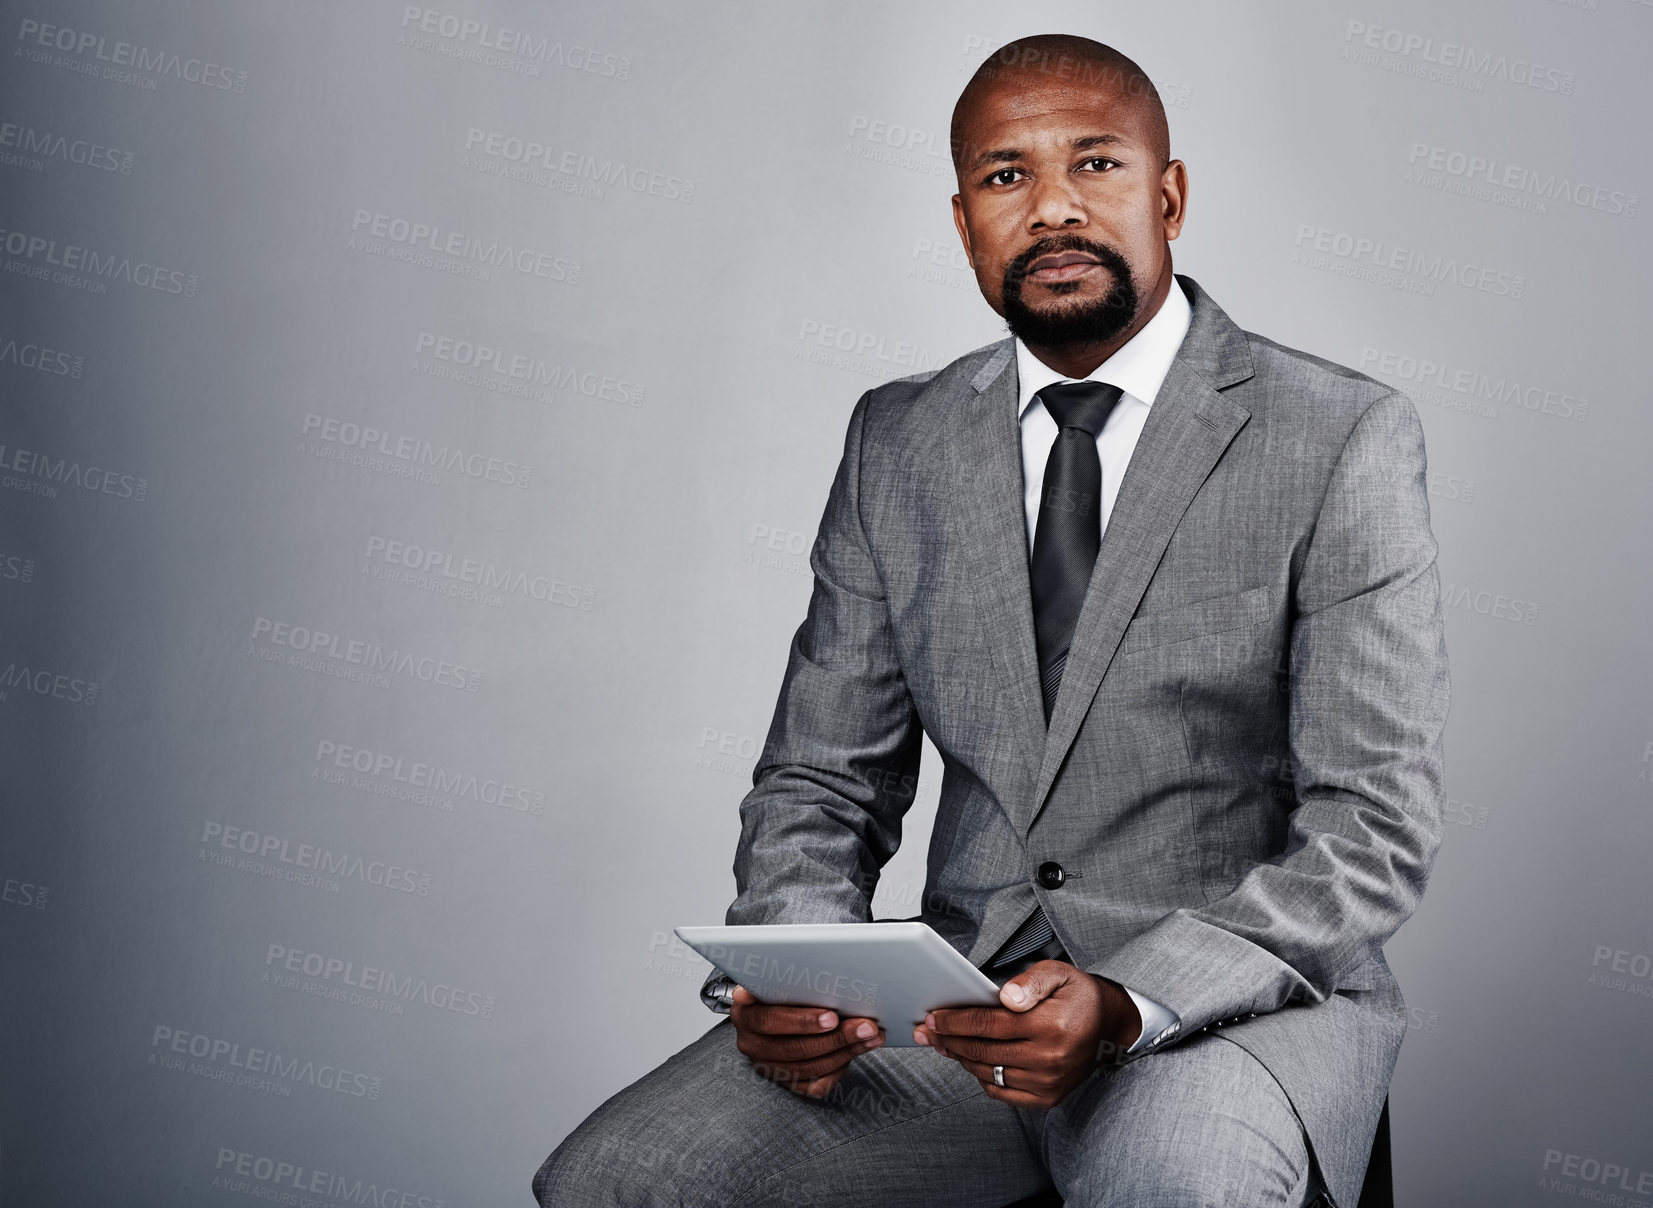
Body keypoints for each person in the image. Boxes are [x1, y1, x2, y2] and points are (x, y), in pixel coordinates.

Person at [534, 32, 1448, 1208]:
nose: (1054, 208)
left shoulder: (1339, 434)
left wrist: (1131, 997)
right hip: (955, 1015)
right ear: (965, 222)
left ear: (1169, 195)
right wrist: (803, 967)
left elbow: (1371, 826)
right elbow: (819, 780)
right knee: (615, 1179)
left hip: (1230, 1016)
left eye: (1098, 165)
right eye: (1007, 176)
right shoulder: (898, 439)